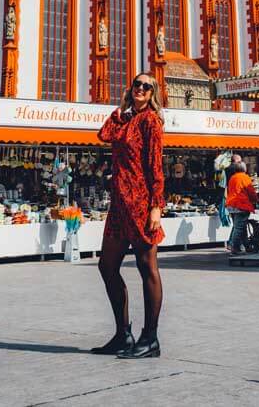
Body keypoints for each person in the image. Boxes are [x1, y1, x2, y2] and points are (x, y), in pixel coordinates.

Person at [91, 73, 165, 359]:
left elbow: (155, 166)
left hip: (141, 203)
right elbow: (104, 134)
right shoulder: (127, 119)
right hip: (120, 204)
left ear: (153, 93)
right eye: (138, 84)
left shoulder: (150, 122)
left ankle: (150, 338)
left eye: (148, 86)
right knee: (107, 266)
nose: (142, 89)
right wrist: (120, 111)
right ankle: (123, 334)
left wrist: (156, 206)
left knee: (147, 267)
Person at [226, 159, 258, 255]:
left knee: (240, 227)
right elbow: (251, 191)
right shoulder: (245, 177)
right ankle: (234, 248)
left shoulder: (232, 178)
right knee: (239, 228)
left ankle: (247, 246)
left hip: (231, 204)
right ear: (244, 169)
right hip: (241, 204)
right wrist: (256, 199)